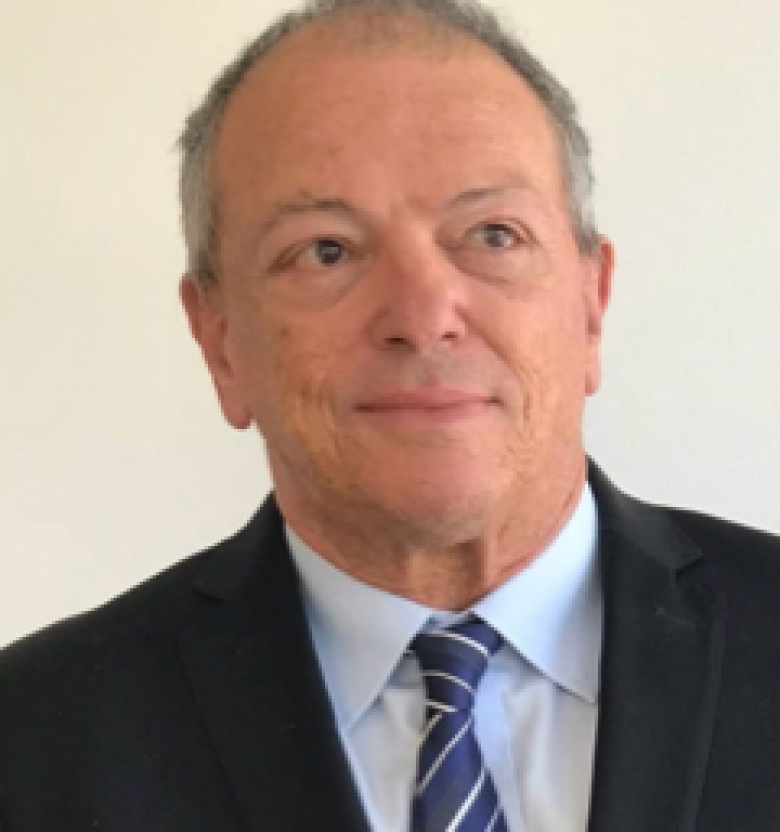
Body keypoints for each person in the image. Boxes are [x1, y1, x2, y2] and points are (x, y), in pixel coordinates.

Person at [1, 0, 779, 829]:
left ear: (592, 304)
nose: (423, 315)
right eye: (326, 250)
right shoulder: (32, 741)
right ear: (219, 339)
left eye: (492, 234)